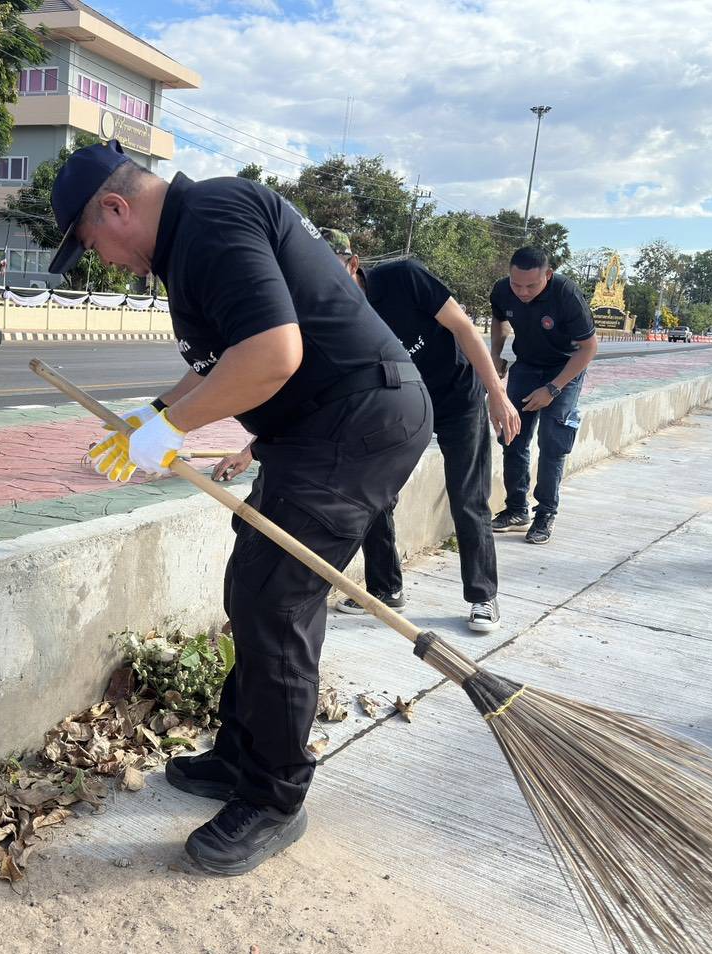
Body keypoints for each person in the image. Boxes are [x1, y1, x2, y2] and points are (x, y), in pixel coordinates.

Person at [54, 140, 432, 875]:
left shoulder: (213, 217)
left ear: (115, 207)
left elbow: (271, 355)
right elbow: (224, 362)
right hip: (321, 426)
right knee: (254, 589)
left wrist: (171, 429)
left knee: (275, 601)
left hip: (355, 422)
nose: (101, 259)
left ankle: (273, 796)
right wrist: (155, 413)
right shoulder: (196, 236)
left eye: (91, 242)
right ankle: (239, 755)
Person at [218, 250, 521, 633]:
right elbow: (308, 394)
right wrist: (251, 449)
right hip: (398, 409)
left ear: (353, 263)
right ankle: (385, 588)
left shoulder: (404, 279)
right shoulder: (324, 315)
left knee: (467, 497)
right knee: (371, 496)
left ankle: (482, 595)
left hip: (456, 399)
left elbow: (462, 327)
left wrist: (497, 392)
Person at [488, 246, 599, 545]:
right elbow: (499, 321)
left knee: (552, 441)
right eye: (517, 284)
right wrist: (495, 355)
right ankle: (516, 509)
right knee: (512, 436)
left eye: (531, 285)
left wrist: (552, 389)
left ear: (548, 276)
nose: (523, 292)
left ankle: (545, 513)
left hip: (565, 369)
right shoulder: (502, 290)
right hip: (526, 367)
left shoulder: (566, 294)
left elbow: (589, 348)